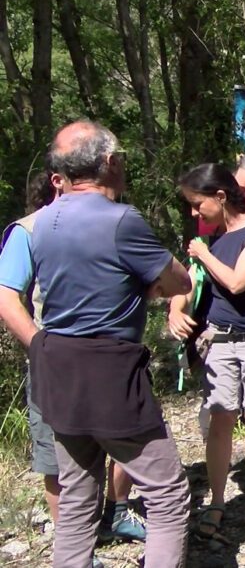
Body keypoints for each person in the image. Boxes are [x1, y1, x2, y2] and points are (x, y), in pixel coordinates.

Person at [29, 120, 192, 568]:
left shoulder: (42, 222)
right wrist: (148, 285)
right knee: (167, 493)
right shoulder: (121, 219)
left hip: (56, 364)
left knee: (77, 495)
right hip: (108, 370)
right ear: (109, 162)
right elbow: (178, 281)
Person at [169, 163, 245, 541]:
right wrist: (175, 309)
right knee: (220, 419)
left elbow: (238, 282)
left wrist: (203, 254)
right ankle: (217, 501)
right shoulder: (212, 240)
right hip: (220, 340)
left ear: (220, 197)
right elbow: (187, 283)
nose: (194, 213)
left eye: (197, 204)